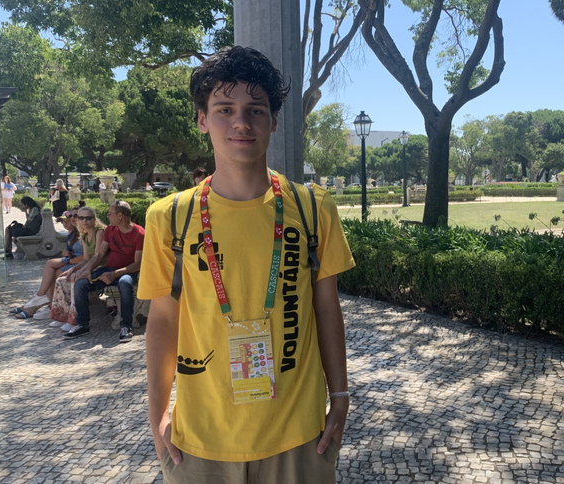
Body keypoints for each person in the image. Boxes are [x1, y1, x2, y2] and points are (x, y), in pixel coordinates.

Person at [139, 46, 355, 483]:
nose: (241, 122)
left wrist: (341, 395)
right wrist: (157, 413)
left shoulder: (313, 208)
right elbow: (163, 318)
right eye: (225, 109)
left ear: (273, 121)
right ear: (202, 119)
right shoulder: (169, 217)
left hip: (299, 435)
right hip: (200, 441)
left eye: (255, 110)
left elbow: (326, 307)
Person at [64, 200, 144, 342]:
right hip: (108, 269)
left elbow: (137, 264)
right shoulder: (110, 230)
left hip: (127, 272)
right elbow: (99, 254)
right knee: (80, 284)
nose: (107, 216)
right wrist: (88, 270)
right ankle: (83, 324)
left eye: (110, 213)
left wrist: (115, 274)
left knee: (125, 283)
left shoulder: (139, 233)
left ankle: (126, 326)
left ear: (120, 215)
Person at [8, 208, 84, 319]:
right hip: (73, 261)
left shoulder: (83, 234)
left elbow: (87, 256)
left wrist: (68, 259)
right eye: (64, 221)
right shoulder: (71, 235)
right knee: (51, 270)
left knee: (51, 266)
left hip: (79, 263)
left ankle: (40, 301)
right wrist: (67, 254)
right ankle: (46, 305)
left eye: (70, 219)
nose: (66, 223)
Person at [50, 206, 108, 332]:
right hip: (91, 265)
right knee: (61, 279)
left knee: (75, 281)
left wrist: (81, 272)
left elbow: (97, 257)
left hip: (101, 266)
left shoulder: (99, 232)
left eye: (88, 218)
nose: (84, 221)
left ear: (94, 219)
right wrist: (73, 269)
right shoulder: (84, 234)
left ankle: (74, 319)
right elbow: (86, 259)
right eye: (81, 218)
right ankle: (63, 315)